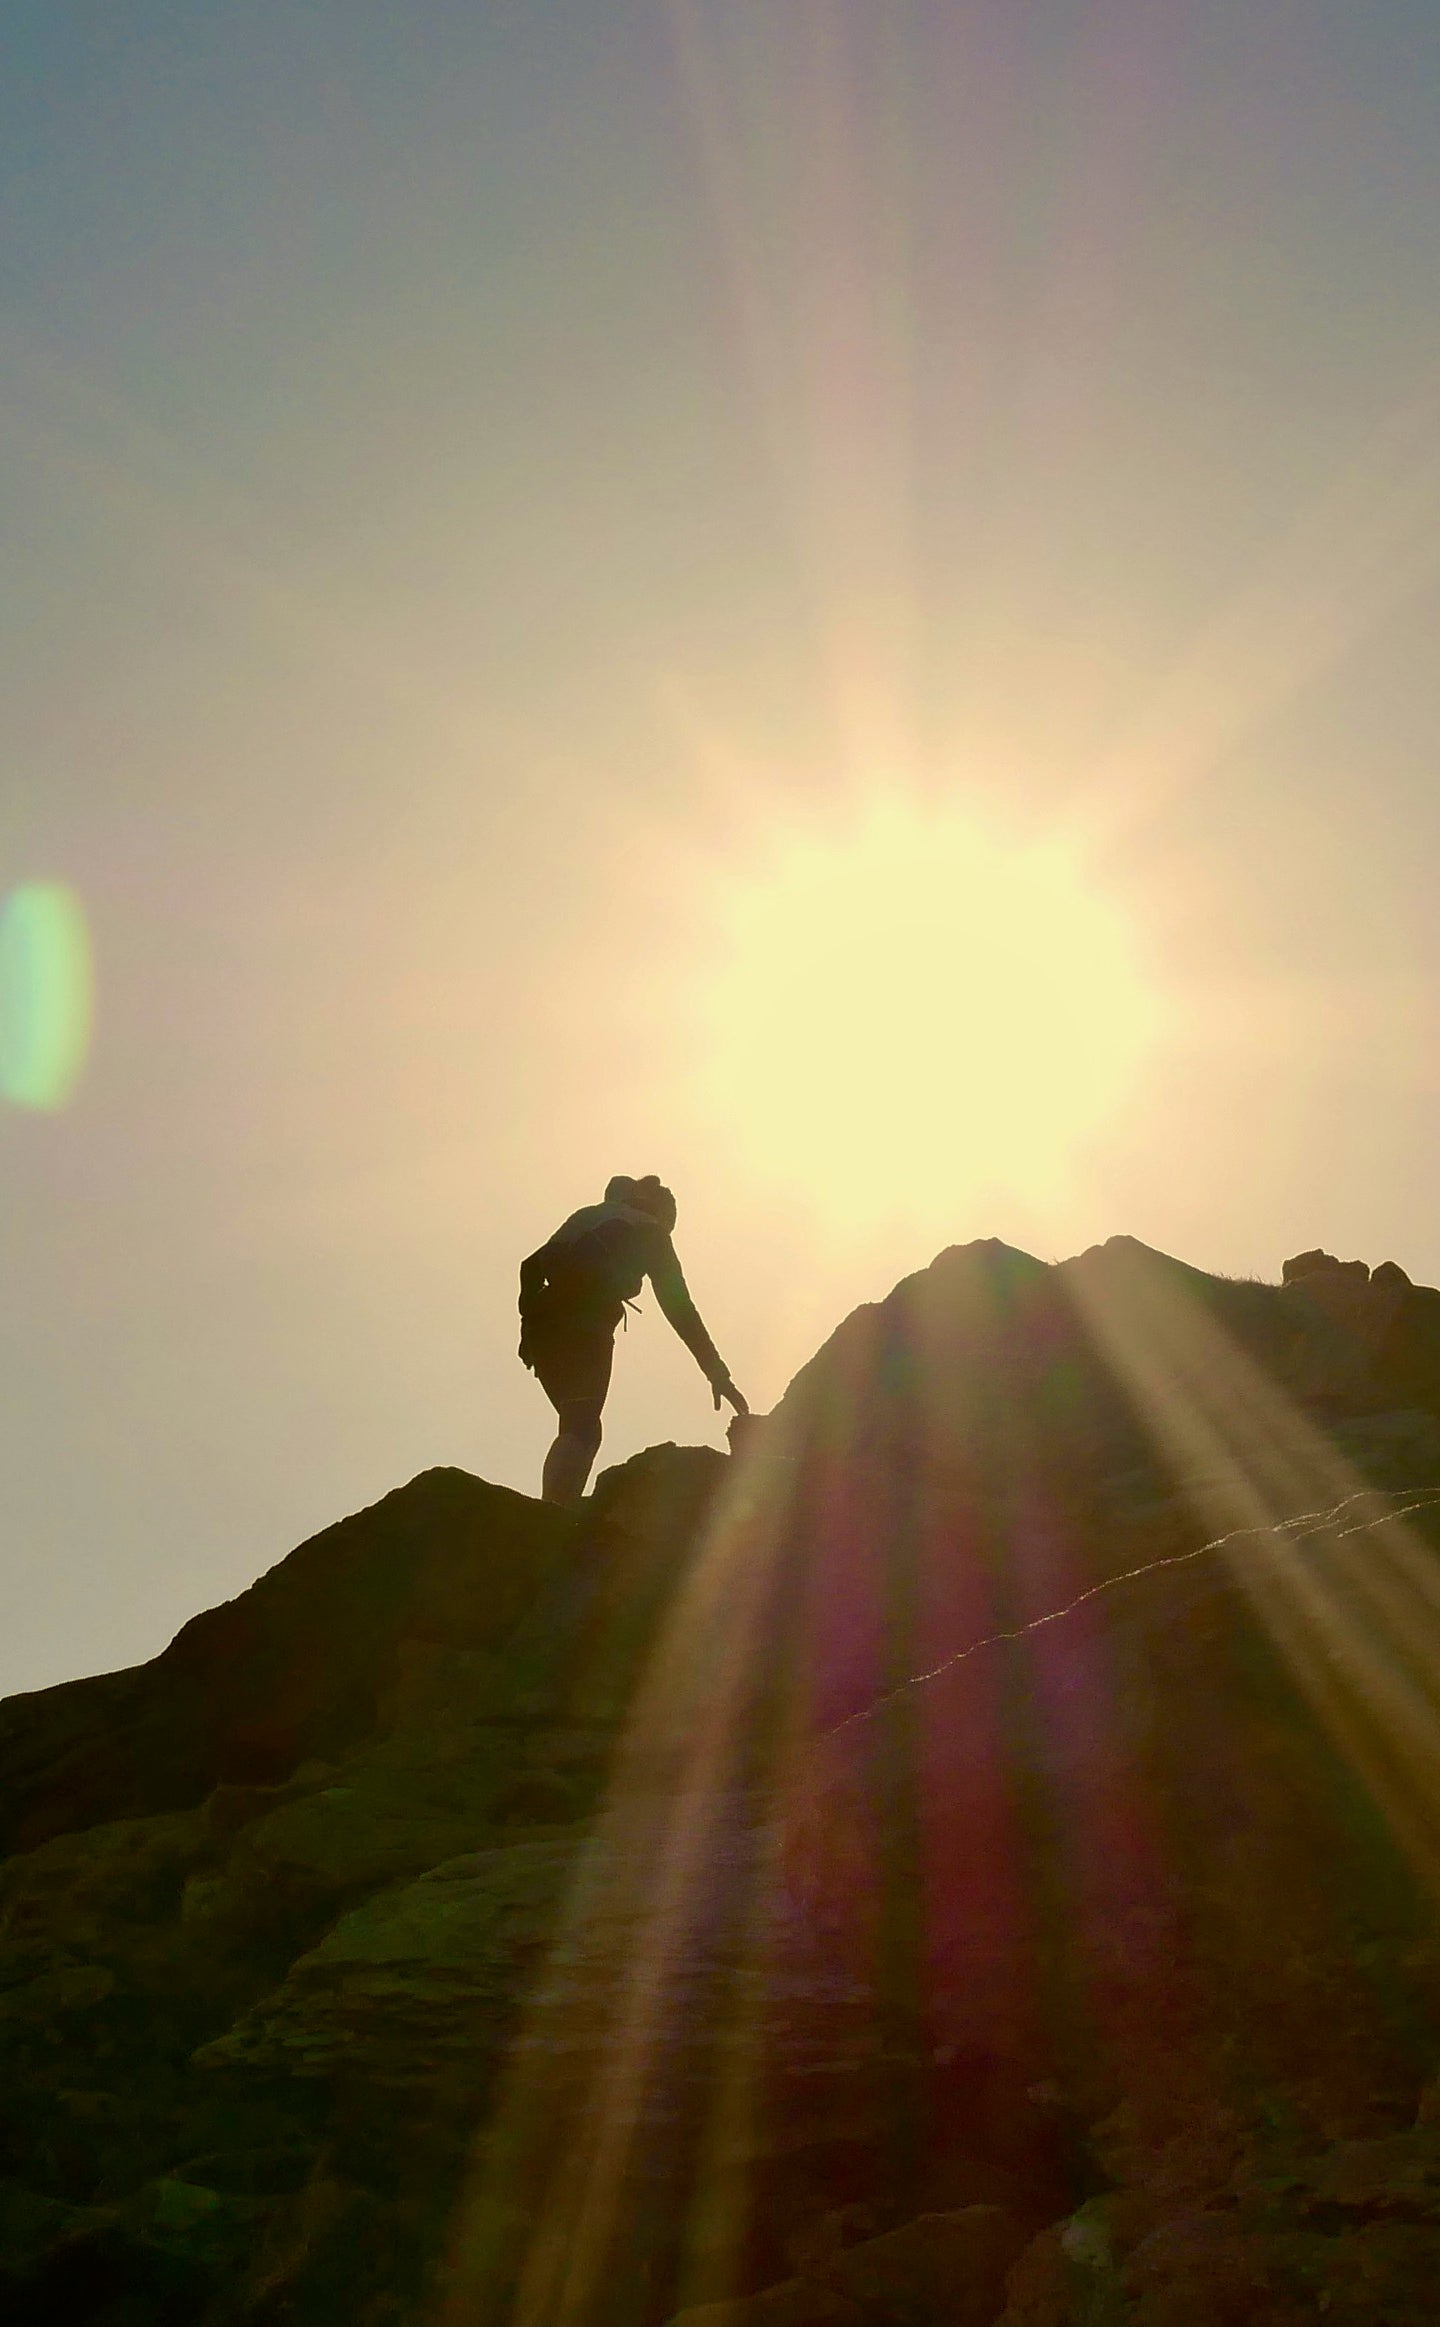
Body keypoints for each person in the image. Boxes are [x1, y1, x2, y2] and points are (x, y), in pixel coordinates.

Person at [519, 1174, 748, 1506]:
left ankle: (554, 1504)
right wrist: (716, 1371)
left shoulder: (590, 1215)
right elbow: (679, 1306)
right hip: (587, 1324)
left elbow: (529, 1267)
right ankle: (552, 1510)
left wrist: (529, 1328)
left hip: (545, 1328)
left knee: (575, 1423)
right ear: (661, 1214)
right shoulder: (650, 1231)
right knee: (583, 1427)